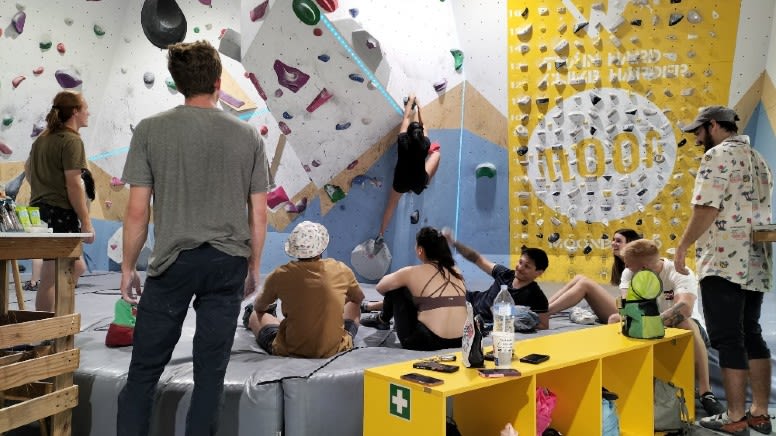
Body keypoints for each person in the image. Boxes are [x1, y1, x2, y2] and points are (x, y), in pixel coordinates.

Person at [116, 40, 272, 436]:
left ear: (177, 82)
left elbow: (138, 212)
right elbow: (258, 213)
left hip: (173, 262)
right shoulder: (249, 136)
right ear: (219, 82)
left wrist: (129, 268)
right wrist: (254, 267)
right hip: (227, 264)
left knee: (144, 372)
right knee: (210, 376)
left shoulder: (151, 130)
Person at [674, 106, 772, 435]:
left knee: (728, 338)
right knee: (751, 333)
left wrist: (683, 246)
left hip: (723, 260)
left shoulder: (717, 157)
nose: (697, 139)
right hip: (756, 260)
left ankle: (734, 417)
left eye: (699, 131)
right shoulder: (758, 159)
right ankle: (759, 413)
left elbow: (706, 208)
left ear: (714, 126)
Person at [611, 239, 725, 417]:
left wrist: (653, 322)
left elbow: (685, 308)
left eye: (630, 264)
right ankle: (625, 381)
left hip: (685, 327)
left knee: (684, 322)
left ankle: (705, 392)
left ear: (644, 267)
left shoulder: (679, 273)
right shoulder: (629, 273)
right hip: (650, 324)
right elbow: (627, 304)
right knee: (613, 319)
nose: (626, 267)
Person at [245, 221, 365, 358]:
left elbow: (260, 306)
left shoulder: (280, 274)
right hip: (335, 348)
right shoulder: (341, 269)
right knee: (354, 303)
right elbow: (359, 298)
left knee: (255, 314)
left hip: (291, 349)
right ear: (322, 246)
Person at [26, 90, 95, 311]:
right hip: (59, 212)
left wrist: (43, 186)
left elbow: (28, 170)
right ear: (75, 112)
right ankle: (49, 329)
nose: (89, 113)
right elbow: (74, 185)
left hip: (40, 210)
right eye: (85, 109)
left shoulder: (42, 140)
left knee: (76, 267)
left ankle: (58, 321)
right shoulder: (71, 141)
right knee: (51, 276)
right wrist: (86, 221)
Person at [361, 227, 467, 350]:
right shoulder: (456, 271)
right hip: (461, 340)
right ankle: (381, 318)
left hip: (428, 341)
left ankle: (382, 320)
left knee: (397, 289)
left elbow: (381, 287)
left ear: (420, 250)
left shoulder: (411, 272)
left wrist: (407, 285)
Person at [443, 231, 549, 330]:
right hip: (469, 301)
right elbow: (476, 258)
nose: (520, 267)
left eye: (527, 266)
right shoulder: (504, 274)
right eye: (520, 262)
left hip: (480, 321)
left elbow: (544, 325)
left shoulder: (537, 296)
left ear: (538, 272)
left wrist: (516, 321)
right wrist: (453, 242)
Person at [377, 94, 441, 238]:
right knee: (436, 155)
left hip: (401, 180)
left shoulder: (402, 141)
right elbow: (424, 125)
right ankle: (422, 183)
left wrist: (411, 101)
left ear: (408, 135)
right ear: (421, 137)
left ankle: (381, 233)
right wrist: (419, 105)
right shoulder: (425, 143)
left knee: (391, 204)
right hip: (418, 182)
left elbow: (406, 118)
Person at [547, 229, 641, 322]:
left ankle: (545, 312)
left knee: (585, 284)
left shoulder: (635, 267)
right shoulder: (623, 264)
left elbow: (636, 301)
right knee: (580, 277)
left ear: (630, 244)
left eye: (618, 241)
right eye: (613, 240)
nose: (613, 243)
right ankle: (544, 307)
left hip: (632, 314)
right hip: (625, 307)